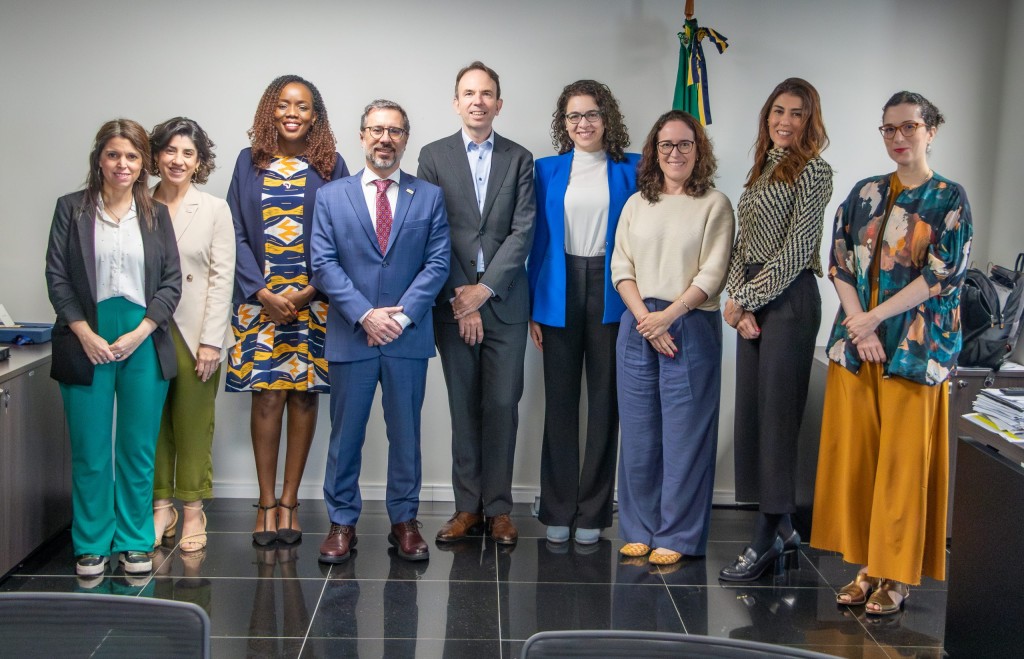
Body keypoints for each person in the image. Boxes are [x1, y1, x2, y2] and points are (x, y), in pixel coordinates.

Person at [811, 92, 972, 615]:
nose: (898, 137)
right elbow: (839, 262)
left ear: (931, 130)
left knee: (903, 467)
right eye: (889, 129)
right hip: (859, 346)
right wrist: (861, 325)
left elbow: (942, 274)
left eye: (909, 127)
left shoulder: (949, 198)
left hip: (916, 350)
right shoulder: (864, 193)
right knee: (858, 463)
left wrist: (874, 319)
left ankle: (896, 577)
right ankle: (865, 568)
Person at [311, 99, 450, 564]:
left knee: (406, 435)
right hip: (352, 335)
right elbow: (323, 263)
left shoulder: (428, 196)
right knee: (345, 436)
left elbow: (437, 263)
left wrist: (399, 318)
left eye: (394, 131)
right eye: (376, 130)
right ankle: (341, 522)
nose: (384, 139)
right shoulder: (332, 196)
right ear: (362, 136)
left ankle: (405, 521)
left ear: (405, 139)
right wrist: (366, 315)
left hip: (407, 338)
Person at [45, 119, 181, 576]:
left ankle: (135, 540)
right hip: (85, 335)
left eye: (132, 156)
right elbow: (57, 276)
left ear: (143, 163)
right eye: (114, 155)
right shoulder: (71, 209)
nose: (123, 164)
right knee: (90, 449)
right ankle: (91, 543)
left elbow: (171, 282)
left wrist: (142, 330)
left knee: (137, 448)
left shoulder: (156, 214)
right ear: (99, 159)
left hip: (142, 336)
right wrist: (84, 333)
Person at [226, 74, 349, 545]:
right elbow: (234, 232)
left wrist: (309, 292)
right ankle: (265, 502)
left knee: (303, 396)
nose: (292, 113)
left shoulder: (331, 164)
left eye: (302, 106)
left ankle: (291, 501)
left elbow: (344, 233)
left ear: (315, 116)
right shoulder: (248, 162)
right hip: (260, 304)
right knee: (267, 396)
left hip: (313, 304)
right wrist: (262, 293)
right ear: (270, 110)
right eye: (283, 104)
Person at [718, 79, 834, 581]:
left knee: (778, 419)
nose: (785, 121)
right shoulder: (762, 169)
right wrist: (737, 299)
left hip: (790, 301)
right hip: (754, 300)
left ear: (810, 121)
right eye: (778, 111)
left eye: (797, 113)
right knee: (755, 414)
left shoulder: (815, 171)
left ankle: (764, 537)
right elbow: (742, 244)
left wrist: (747, 298)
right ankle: (784, 528)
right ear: (767, 116)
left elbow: (796, 250)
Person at [417, 61, 536, 546]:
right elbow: (429, 230)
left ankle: (500, 510)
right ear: (456, 103)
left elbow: (522, 230)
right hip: (452, 302)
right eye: (469, 93)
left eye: (486, 94)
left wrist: (482, 292)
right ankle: (467, 507)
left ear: (498, 104)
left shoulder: (519, 158)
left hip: (505, 303)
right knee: (464, 406)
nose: (478, 101)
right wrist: (461, 299)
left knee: (503, 405)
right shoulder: (433, 156)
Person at [610, 110, 734, 566]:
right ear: (654, 151)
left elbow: (713, 272)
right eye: (666, 145)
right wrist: (647, 318)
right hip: (638, 322)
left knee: (685, 436)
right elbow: (620, 266)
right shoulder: (636, 204)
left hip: (689, 324)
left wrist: (670, 317)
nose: (675, 153)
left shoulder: (715, 204)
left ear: (698, 150)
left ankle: (678, 534)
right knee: (639, 434)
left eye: (684, 144)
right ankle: (639, 528)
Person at [527, 80, 640, 545]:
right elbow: (537, 241)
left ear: (606, 117)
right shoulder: (546, 170)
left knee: (605, 403)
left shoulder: (634, 167)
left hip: (614, 289)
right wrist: (534, 307)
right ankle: (557, 506)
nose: (583, 123)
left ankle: (593, 510)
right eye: (573, 116)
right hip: (559, 289)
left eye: (592, 114)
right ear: (564, 122)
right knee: (559, 402)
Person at [149, 117, 236, 554]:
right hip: (146, 330)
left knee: (193, 425)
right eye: (170, 150)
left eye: (188, 153)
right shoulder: (137, 203)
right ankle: (159, 507)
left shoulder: (214, 209)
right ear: (156, 155)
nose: (178, 160)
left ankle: (192, 510)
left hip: (195, 332)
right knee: (151, 424)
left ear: (199, 161)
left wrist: (211, 341)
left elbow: (222, 278)